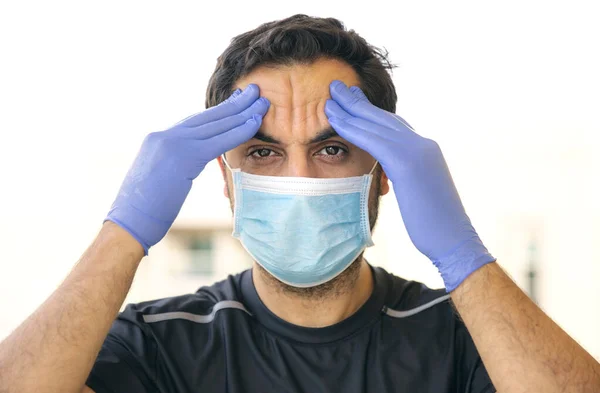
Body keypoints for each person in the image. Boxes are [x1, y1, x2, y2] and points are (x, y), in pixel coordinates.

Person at [0, 14, 598, 393]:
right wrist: (123, 231)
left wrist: (463, 255)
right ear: (226, 181)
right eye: (262, 154)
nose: (300, 179)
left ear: (385, 173)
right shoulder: (160, 346)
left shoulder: (464, 338)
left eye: (332, 149)